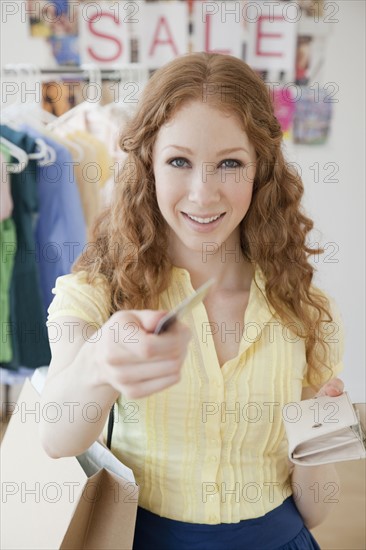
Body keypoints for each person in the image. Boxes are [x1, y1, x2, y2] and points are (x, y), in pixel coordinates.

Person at [40, 52, 345, 549]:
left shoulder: (308, 309)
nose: (203, 194)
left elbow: (317, 511)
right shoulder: (100, 295)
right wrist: (100, 364)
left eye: (230, 163)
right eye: (179, 161)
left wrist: (320, 440)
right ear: (149, 166)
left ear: (260, 171)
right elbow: (56, 438)